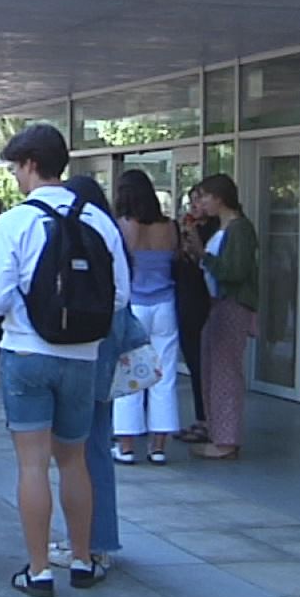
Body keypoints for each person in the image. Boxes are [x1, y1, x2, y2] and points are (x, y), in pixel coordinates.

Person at [0, 124, 129, 597]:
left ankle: (39, 570)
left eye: (15, 167)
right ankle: (83, 560)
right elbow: (120, 296)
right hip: (82, 358)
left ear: (28, 164)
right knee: (75, 460)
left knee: (31, 465)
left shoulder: (14, 222)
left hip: (26, 352)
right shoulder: (101, 222)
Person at [61, 176, 125, 572]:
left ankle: (92, 541)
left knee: (86, 447)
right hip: (107, 336)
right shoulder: (110, 230)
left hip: (89, 341)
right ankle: (91, 538)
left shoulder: (84, 230)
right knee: (93, 443)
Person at [114, 171, 182, 464]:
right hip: (166, 304)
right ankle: (159, 446)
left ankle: (126, 445)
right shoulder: (169, 227)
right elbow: (178, 258)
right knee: (164, 375)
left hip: (135, 305)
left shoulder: (123, 227)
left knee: (130, 373)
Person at [190, 174, 259, 460]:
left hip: (232, 304)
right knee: (211, 369)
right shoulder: (222, 228)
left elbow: (235, 271)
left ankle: (226, 440)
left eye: (205, 196)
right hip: (216, 304)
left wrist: (204, 257)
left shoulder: (240, 229)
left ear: (220, 198)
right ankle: (217, 432)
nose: (201, 202)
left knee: (225, 372)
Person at [172, 187, 219, 443]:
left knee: (203, 361)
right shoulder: (187, 229)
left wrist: (193, 241)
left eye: (199, 200)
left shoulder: (213, 231)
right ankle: (201, 416)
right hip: (185, 297)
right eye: (191, 201)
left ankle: (208, 419)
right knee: (192, 359)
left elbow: (205, 260)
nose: (194, 206)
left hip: (203, 300)